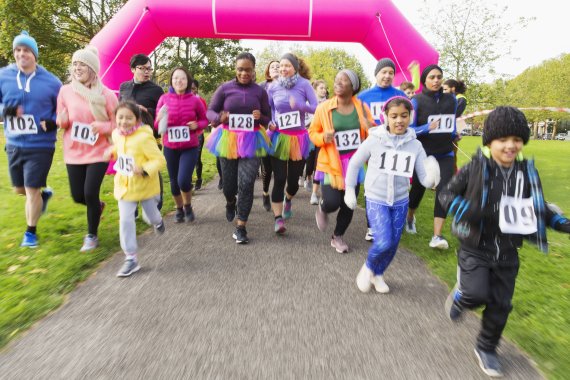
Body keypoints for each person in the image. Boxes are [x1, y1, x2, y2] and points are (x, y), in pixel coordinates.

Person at [438, 106, 570, 377]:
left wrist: (560, 222)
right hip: (475, 246)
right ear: (490, 142)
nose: (511, 146)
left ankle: (487, 347)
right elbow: (446, 194)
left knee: (501, 304)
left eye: (517, 140)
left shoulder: (527, 172)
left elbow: (537, 206)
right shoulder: (475, 167)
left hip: (509, 251)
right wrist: (468, 210)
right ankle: (462, 295)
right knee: (476, 294)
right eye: (503, 140)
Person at [344, 96, 440, 292]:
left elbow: (423, 178)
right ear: (385, 117)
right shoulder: (375, 140)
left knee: (393, 244)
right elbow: (354, 164)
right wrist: (349, 191)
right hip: (376, 198)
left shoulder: (415, 145)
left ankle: (378, 274)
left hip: (400, 201)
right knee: (384, 241)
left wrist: (432, 177)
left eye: (404, 116)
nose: (399, 120)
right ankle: (368, 268)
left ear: (410, 117)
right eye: (394, 116)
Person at [1, 31, 62, 248]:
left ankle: (30, 233)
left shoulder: (52, 82)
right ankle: (43, 198)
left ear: (35, 55)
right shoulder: (3, 76)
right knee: (20, 189)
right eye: (17, 50)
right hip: (14, 144)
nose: (21, 54)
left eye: (26, 50)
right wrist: (5, 111)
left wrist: (54, 121)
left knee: (31, 189)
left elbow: (64, 109)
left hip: (41, 144)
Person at [56, 45, 118, 251]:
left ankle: (92, 235)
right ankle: (97, 207)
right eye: (74, 64)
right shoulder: (65, 91)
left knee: (90, 192)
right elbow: (61, 118)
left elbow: (119, 124)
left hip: (99, 151)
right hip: (74, 152)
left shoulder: (107, 95)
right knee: (78, 196)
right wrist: (62, 121)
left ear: (92, 68)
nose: (77, 67)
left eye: (81, 64)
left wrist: (103, 127)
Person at [206, 52, 272, 243]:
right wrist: (220, 118)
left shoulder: (259, 92)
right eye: (240, 69)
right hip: (228, 140)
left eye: (248, 70)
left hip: (252, 140)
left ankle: (241, 226)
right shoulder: (225, 88)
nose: (244, 73)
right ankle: (230, 201)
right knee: (229, 185)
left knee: (246, 183)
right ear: (235, 69)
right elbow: (210, 111)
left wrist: (261, 117)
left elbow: (268, 118)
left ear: (253, 71)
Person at [309, 69, 373, 253]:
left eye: (343, 80)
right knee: (332, 202)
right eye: (336, 79)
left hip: (354, 163)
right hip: (331, 162)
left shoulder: (361, 107)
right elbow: (313, 133)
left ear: (353, 86)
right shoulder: (324, 108)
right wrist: (324, 138)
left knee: (348, 203)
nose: (337, 83)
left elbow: (373, 132)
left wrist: (370, 128)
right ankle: (322, 208)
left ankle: (337, 236)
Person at [104, 101, 166, 277]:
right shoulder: (116, 134)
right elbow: (119, 149)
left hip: (145, 186)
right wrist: (111, 152)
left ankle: (158, 221)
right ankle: (131, 258)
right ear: (115, 119)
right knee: (125, 220)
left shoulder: (144, 137)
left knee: (151, 216)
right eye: (120, 117)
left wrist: (144, 169)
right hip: (124, 186)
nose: (124, 121)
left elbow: (160, 160)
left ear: (137, 119)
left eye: (128, 118)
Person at [406, 64, 457, 249]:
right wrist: (426, 128)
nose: (436, 80)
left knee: (445, 192)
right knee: (418, 189)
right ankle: (410, 216)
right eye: (432, 77)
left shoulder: (452, 100)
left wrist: (455, 134)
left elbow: (451, 124)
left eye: (439, 77)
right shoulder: (416, 101)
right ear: (424, 80)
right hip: (423, 154)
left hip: (445, 153)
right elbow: (409, 130)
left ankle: (437, 236)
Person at [267, 53, 318, 234]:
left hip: (299, 138)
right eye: (281, 66)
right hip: (279, 137)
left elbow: (316, 107)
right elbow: (270, 109)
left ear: (295, 67)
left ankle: (289, 199)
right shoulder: (273, 87)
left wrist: (300, 106)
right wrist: (270, 123)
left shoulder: (304, 84)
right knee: (279, 178)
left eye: (287, 65)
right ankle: (278, 219)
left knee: (293, 182)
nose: (283, 69)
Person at [357, 58, 407, 242]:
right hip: (373, 147)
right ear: (376, 73)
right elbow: (358, 122)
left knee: (395, 185)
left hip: (396, 147)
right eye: (383, 72)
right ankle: (372, 226)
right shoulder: (364, 96)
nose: (387, 75)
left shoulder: (400, 95)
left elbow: (409, 120)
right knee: (374, 185)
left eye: (391, 73)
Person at [155, 68, 208, 223]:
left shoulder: (195, 100)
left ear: (188, 81)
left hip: (189, 146)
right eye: (176, 78)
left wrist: (196, 125)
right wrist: (160, 119)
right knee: (173, 182)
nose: (179, 81)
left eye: (183, 78)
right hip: (170, 147)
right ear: (172, 80)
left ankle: (188, 205)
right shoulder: (164, 99)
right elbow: (157, 124)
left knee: (183, 180)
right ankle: (179, 209)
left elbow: (205, 120)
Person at [119, 54, 164, 214]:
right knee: (130, 169)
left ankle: (156, 201)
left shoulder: (156, 90)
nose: (146, 72)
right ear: (133, 69)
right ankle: (132, 203)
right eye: (142, 68)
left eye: (149, 68)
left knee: (150, 169)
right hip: (128, 137)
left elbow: (162, 112)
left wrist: (147, 110)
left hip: (149, 136)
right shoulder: (124, 87)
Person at [259, 60, 280, 211]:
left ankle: (278, 197)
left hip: (282, 132)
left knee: (279, 167)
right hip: (265, 129)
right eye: (273, 67)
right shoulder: (261, 87)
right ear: (268, 71)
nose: (276, 68)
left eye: (278, 66)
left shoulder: (288, 87)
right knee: (267, 168)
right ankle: (265, 192)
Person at [306, 79, 328, 205]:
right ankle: (307, 176)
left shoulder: (329, 104)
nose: (324, 90)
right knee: (309, 164)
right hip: (310, 135)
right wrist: (313, 121)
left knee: (318, 165)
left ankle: (315, 194)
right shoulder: (309, 103)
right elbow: (303, 120)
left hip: (322, 138)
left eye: (325, 88)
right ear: (315, 90)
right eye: (321, 88)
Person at [443, 79, 468, 172]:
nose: (444, 92)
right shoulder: (447, 99)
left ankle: (453, 177)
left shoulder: (461, 98)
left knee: (451, 154)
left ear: (452, 88)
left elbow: (455, 113)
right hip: (445, 129)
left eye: (445, 89)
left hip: (453, 130)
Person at [191, 79, 208, 191]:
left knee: (196, 159)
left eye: (193, 88)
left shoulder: (201, 101)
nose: (191, 90)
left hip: (198, 134)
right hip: (186, 135)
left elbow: (205, 118)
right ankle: (188, 181)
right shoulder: (181, 99)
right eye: (189, 88)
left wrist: (197, 124)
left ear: (197, 88)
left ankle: (199, 179)